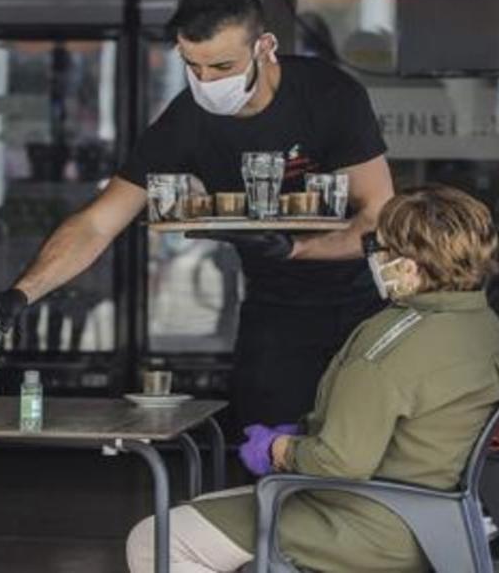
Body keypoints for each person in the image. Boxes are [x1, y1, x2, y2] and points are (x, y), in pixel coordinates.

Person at [0, 0, 395, 431]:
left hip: (362, 302)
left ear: (264, 46)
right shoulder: (188, 120)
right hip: (274, 306)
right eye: (193, 66)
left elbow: (378, 217)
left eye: (222, 66)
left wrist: (296, 248)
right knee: (265, 447)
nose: (207, 82)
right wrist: (18, 296)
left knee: (356, 444)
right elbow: (98, 223)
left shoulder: (329, 96)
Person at [126, 184, 499, 572]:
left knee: (156, 539)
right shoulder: (481, 325)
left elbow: (341, 461)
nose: (371, 257)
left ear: (408, 267)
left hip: (361, 522)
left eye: (376, 246)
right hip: (435, 521)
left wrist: (279, 449)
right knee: (202, 511)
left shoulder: (390, 345)